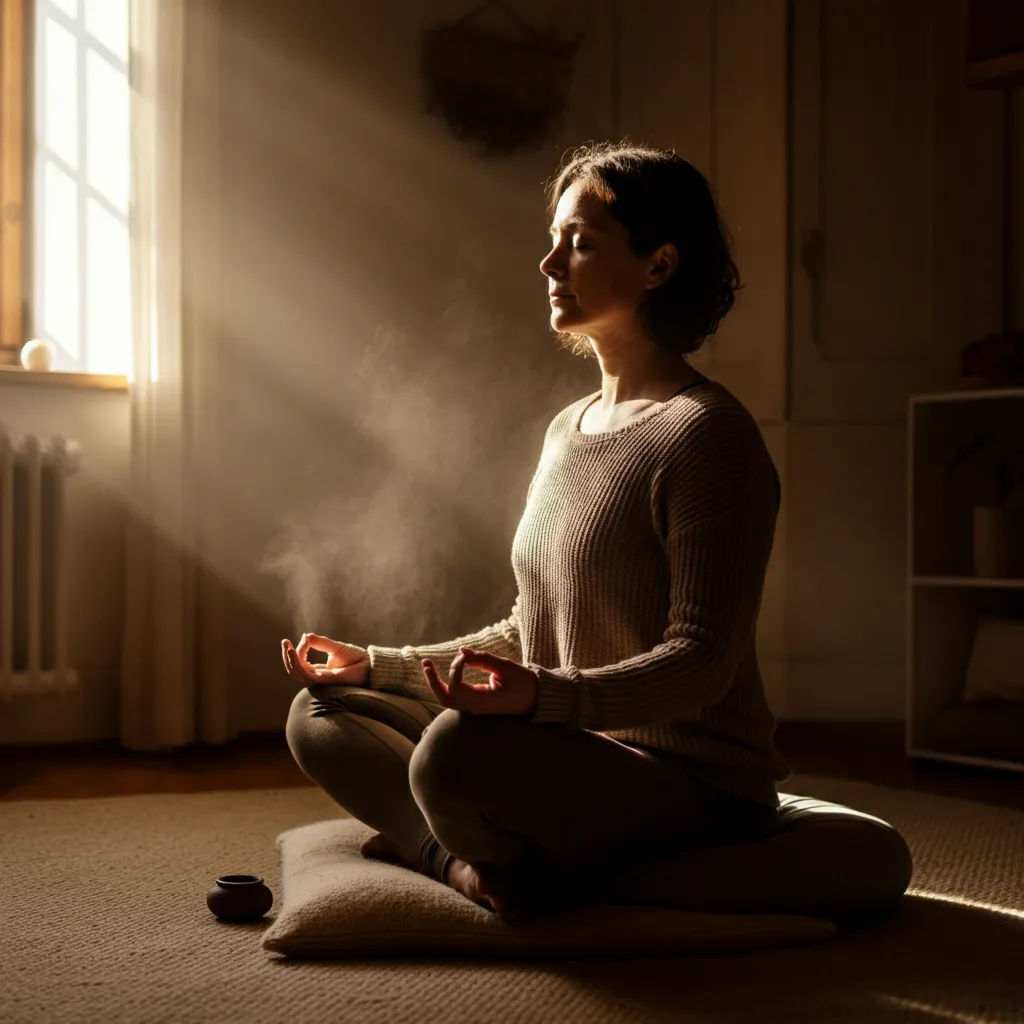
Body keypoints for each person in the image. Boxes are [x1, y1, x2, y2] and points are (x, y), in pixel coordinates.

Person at [281, 141, 792, 923]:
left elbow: (703, 661)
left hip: (689, 782)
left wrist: (542, 699)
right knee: (322, 713)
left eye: (580, 242)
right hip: (566, 744)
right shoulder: (568, 429)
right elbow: (533, 627)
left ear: (658, 265)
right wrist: (376, 668)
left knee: (454, 754)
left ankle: (443, 842)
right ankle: (455, 861)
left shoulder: (709, 436)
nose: (550, 264)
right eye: (555, 240)